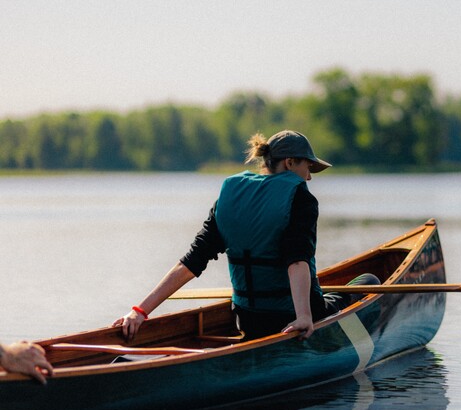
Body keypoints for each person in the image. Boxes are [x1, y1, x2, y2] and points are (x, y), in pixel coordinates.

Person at [113, 130, 377, 342]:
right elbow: (297, 261)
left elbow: (191, 262)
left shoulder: (231, 196)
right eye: (308, 167)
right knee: (369, 280)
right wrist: (304, 317)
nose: (309, 177)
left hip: (247, 318)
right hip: (289, 318)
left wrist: (140, 312)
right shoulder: (300, 198)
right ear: (290, 163)